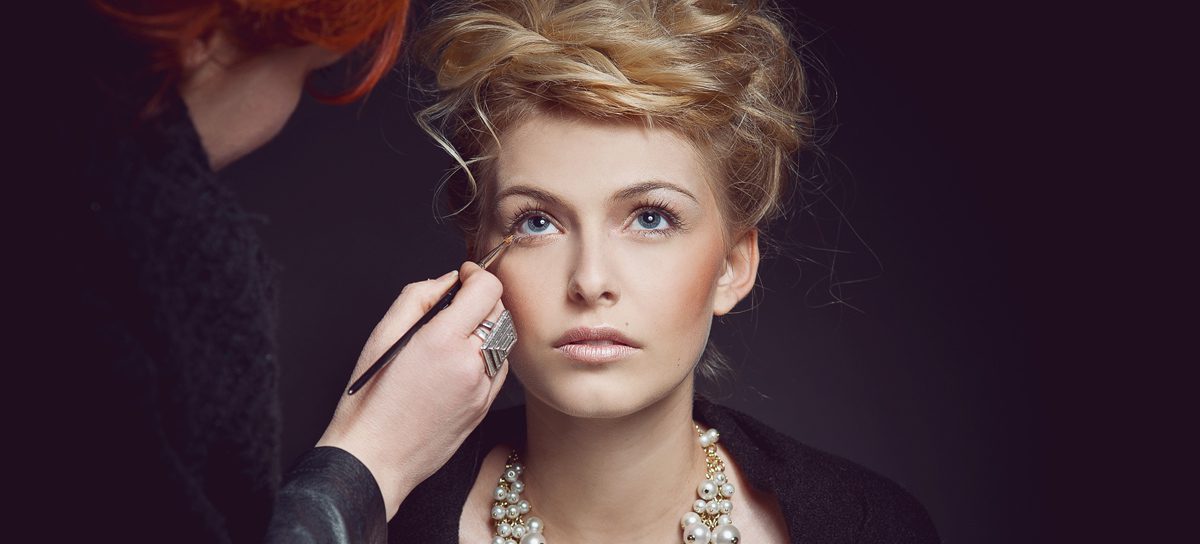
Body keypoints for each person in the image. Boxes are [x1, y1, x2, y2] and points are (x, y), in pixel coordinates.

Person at [389, 0, 940, 542]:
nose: (590, 281)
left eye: (650, 218)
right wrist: (360, 465)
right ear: (479, 267)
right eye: (537, 222)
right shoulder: (381, 521)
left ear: (732, 266)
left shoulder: (870, 527)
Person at [26, 1, 514, 542]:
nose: (583, 283)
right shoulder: (120, 258)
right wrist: (371, 460)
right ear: (202, 35)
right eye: (535, 221)